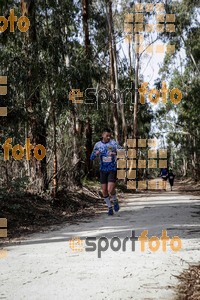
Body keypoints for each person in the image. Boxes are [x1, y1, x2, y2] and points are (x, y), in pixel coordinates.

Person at [90, 128, 122, 216]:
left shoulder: (113, 143)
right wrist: (95, 154)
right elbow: (91, 157)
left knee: (110, 189)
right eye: (107, 135)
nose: (108, 137)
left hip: (112, 169)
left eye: (109, 136)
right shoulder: (97, 145)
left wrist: (115, 154)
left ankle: (115, 201)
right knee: (104, 191)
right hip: (102, 170)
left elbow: (123, 152)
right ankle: (109, 208)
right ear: (102, 135)